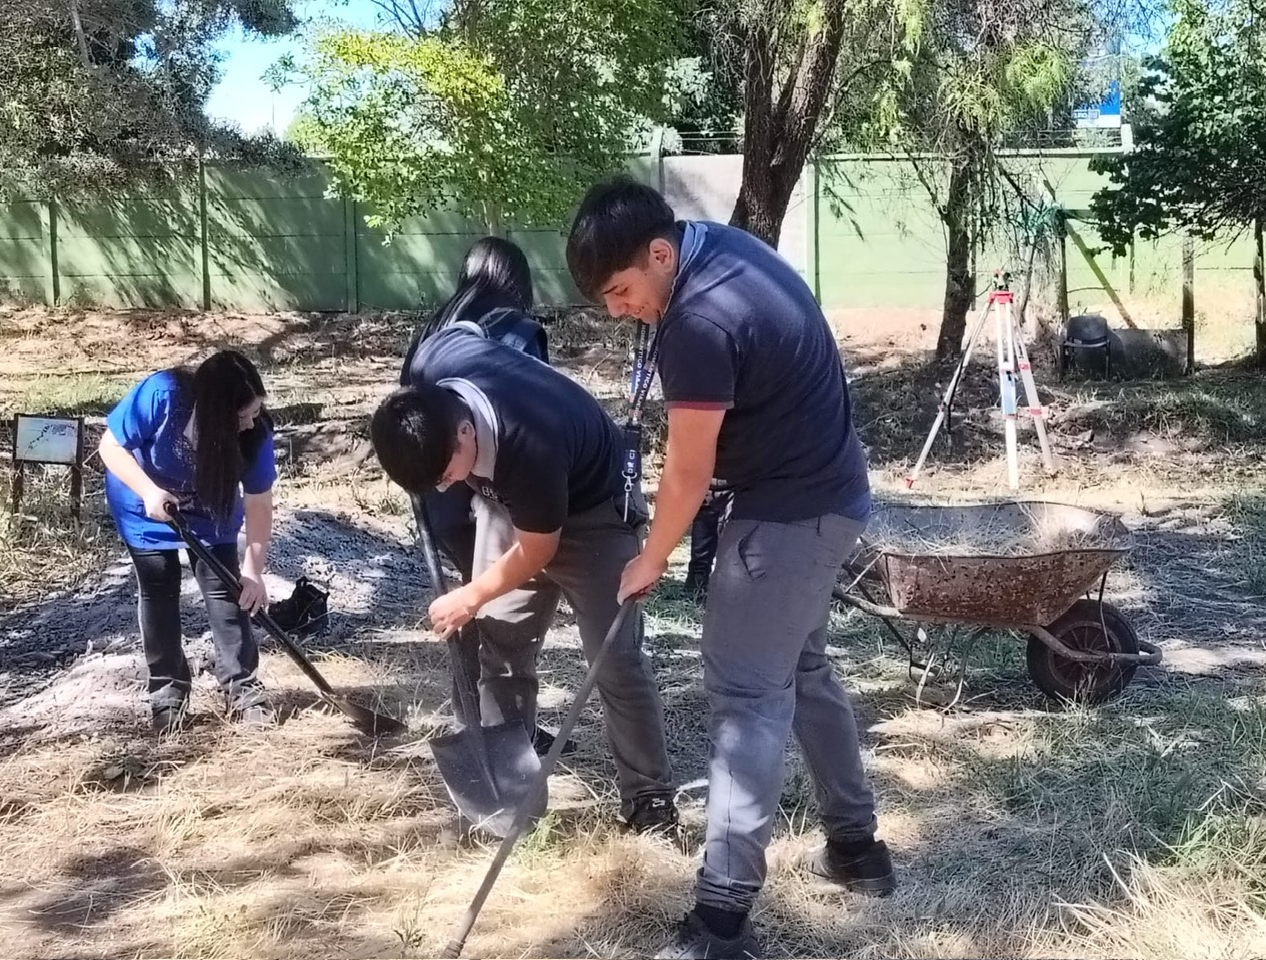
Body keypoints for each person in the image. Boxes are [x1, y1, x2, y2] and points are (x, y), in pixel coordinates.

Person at [566, 177, 894, 960]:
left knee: (746, 695)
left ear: (658, 253)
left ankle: (720, 922)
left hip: (789, 515)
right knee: (801, 667)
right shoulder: (720, 247)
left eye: (621, 292)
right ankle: (856, 849)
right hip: (829, 493)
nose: (619, 311)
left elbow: (687, 472)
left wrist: (650, 557)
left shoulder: (698, 320)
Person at [370, 322, 678, 834]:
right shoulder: (433, 365)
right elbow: (465, 327)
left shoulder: (528, 439)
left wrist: (471, 595)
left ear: (464, 432)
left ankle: (649, 798)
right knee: (502, 648)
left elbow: (538, 549)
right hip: (508, 504)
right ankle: (509, 794)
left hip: (592, 514)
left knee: (615, 659)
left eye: (445, 475)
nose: (444, 488)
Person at [396, 237, 570, 756]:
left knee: (470, 605)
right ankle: (503, 730)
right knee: (498, 612)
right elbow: (531, 410)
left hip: (440, 495)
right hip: (491, 492)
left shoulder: (435, 329)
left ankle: (479, 720)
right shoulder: (514, 331)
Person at [99, 349, 277, 733]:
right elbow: (110, 447)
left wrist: (253, 570)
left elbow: (259, 503)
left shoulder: (255, 434)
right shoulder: (162, 394)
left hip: (210, 506)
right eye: (242, 416)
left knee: (226, 591)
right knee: (159, 587)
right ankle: (167, 696)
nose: (251, 423)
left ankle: (243, 688)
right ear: (215, 413)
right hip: (144, 502)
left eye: (255, 411)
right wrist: (149, 492)